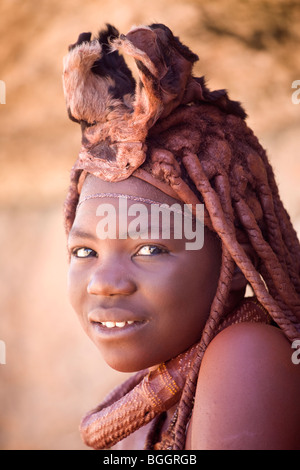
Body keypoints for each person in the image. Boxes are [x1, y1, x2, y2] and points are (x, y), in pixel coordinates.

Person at [62, 23, 300, 450]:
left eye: (149, 248)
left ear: (231, 252)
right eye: (84, 250)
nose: (102, 281)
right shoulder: (166, 379)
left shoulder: (248, 352)